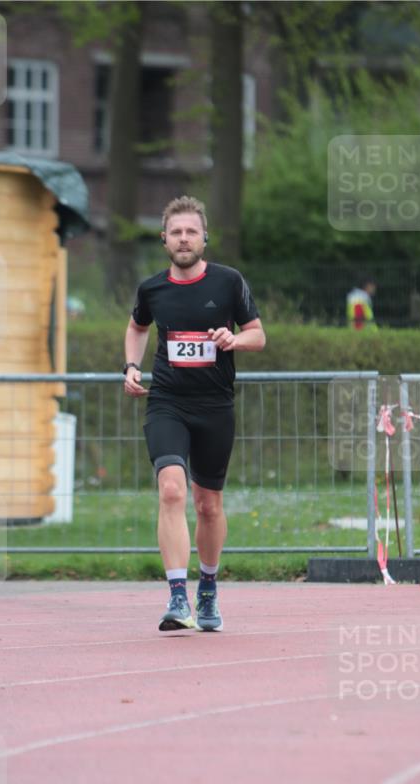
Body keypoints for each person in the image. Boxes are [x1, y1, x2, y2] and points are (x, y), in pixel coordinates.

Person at [123, 195, 266, 632]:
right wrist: (131, 366)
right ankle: (177, 597)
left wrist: (234, 340)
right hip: (167, 402)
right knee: (171, 490)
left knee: (207, 505)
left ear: (205, 238)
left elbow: (258, 335)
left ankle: (207, 587)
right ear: (164, 239)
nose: (183, 239)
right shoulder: (151, 289)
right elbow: (137, 326)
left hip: (215, 406)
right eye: (176, 232)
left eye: (191, 232)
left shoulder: (228, 282)